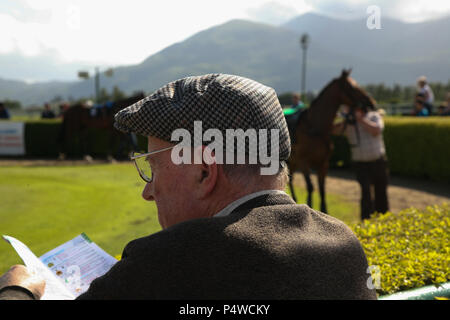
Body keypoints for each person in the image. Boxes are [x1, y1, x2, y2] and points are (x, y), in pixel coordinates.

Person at [0, 74, 376, 300]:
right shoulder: (344, 244)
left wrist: (17, 291)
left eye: (153, 168)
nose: (148, 192)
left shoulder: (168, 258)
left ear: (203, 172)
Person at [333, 105, 389, 221]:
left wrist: (361, 120)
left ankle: (384, 219)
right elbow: (334, 130)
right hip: (360, 164)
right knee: (366, 192)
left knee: (381, 192)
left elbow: (376, 130)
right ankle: (366, 220)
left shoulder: (374, 116)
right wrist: (343, 120)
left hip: (378, 161)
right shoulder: (349, 123)